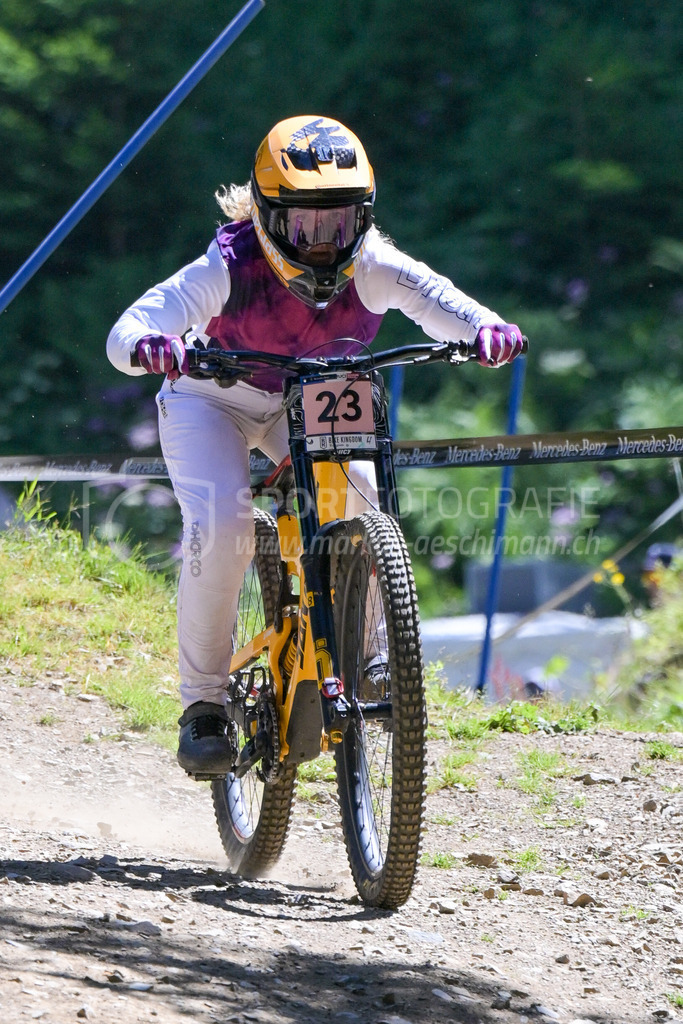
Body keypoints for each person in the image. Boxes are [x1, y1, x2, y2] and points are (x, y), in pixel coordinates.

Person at [107, 114, 525, 777]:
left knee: (359, 497)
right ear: (269, 218)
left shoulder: (375, 262)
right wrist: (148, 345)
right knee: (224, 527)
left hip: (308, 396)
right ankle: (204, 706)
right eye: (306, 226)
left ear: (364, 216)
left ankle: (378, 659)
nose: (325, 245)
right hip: (212, 397)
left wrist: (487, 330)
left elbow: (446, 304)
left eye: (340, 223)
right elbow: (132, 326)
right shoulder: (229, 263)